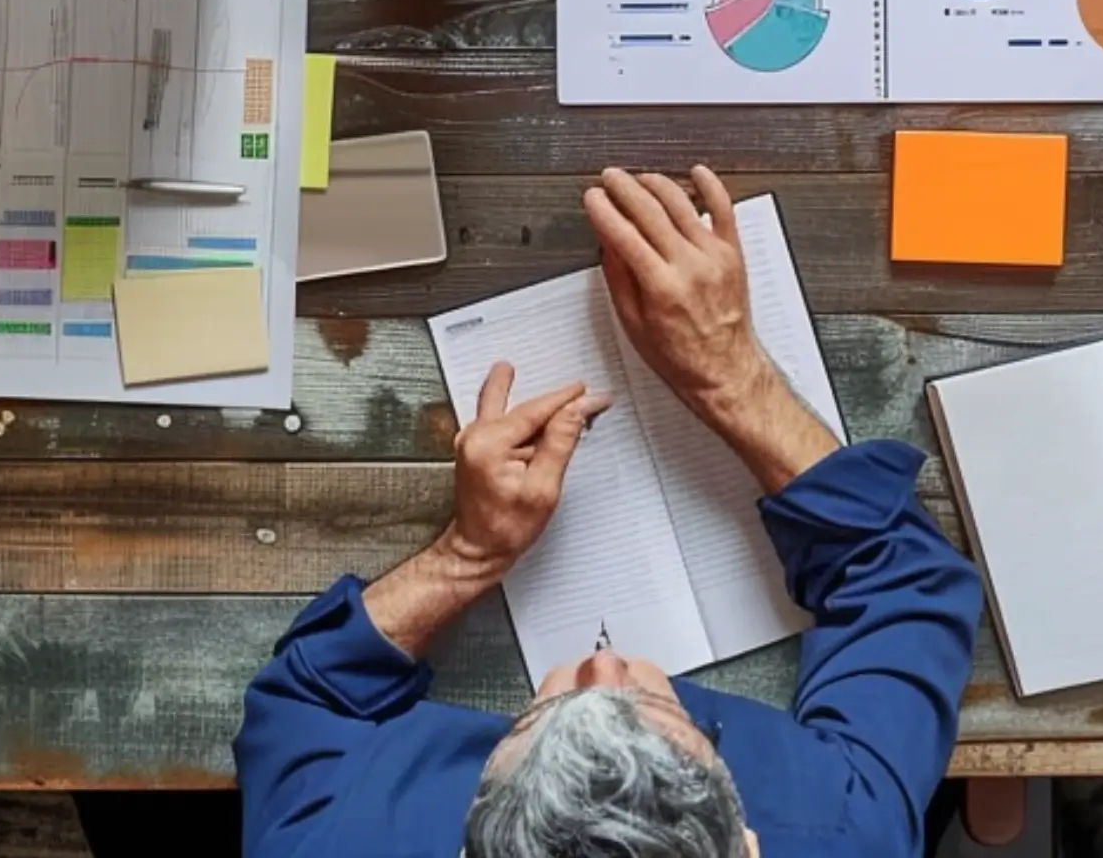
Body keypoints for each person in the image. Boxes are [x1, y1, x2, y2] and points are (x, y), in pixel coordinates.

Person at [239, 166, 983, 858]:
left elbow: (306, 700)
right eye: (664, 720)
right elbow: (905, 587)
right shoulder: (841, 834)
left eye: (543, 717)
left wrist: (468, 554)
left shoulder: (333, 839)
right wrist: (733, 379)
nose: (605, 662)